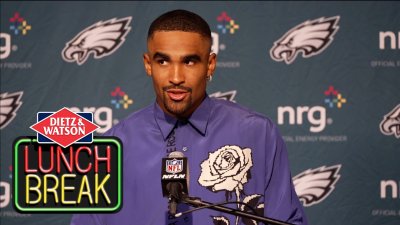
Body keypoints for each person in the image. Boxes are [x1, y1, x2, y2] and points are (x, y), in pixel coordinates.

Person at [71, 9, 308, 225]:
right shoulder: (113, 146)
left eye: (189, 61)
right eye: (163, 61)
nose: (176, 77)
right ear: (148, 64)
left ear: (210, 65)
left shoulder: (257, 134)